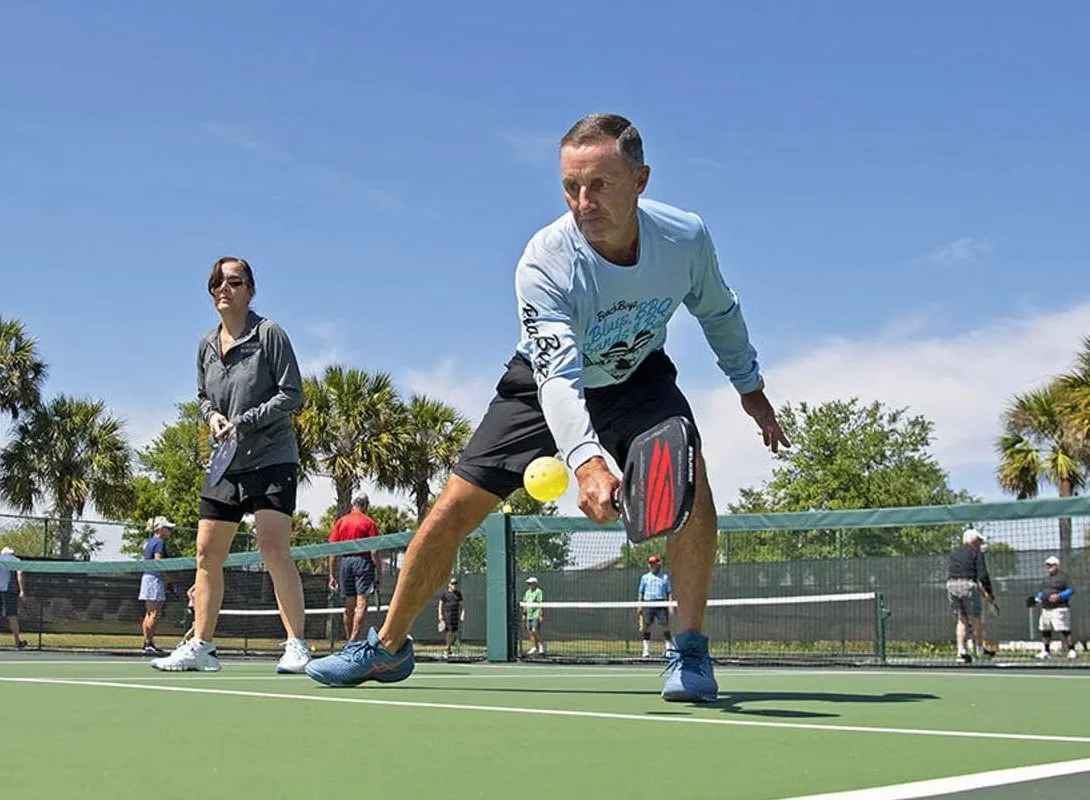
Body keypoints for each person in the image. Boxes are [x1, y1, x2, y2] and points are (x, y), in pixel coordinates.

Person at [307, 113, 787, 702]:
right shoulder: (545, 260)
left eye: (600, 185)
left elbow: (718, 311)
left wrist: (750, 387)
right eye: (570, 187)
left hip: (640, 378)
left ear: (640, 179)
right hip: (542, 383)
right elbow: (557, 379)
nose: (583, 202)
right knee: (453, 507)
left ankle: (688, 649)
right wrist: (586, 460)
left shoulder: (684, 239)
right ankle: (386, 648)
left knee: (694, 488)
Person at [151, 256, 311, 674]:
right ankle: (202, 645)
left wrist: (244, 421)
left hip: (272, 457)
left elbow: (292, 393)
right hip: (225, 463)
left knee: (274, 549)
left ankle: (296, 645)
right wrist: (212, 417)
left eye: (235, 282)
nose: (225, 288)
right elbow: (204, 396)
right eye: (217, 282)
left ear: (250, 291)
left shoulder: (268, 333)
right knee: (206, 554)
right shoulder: (205, 344)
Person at [328, 491, 382, 641]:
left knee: (349, 606)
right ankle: (353, 640)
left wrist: (332, 574)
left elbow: (332, 550)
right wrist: (379, 572)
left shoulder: (341, 522)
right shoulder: (369, 523)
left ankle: (350, 642)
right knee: (362, 604)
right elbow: (374, 551)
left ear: (353, 504)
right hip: (363, 562)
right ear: (365, 505)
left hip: (345, 563)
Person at [946, 527, 994, 664]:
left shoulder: (955, 553)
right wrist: (990, 594)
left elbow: (960, 572)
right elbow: (983, 575)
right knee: (976, 617)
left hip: (951, 585)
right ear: (973, 540)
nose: (980, 543)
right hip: (968, 585)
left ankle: (961, 651)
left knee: (962, 618)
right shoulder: (977, 553)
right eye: (978, 540)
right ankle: (979, 649)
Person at [139, 516, 175, 656]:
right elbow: (158, 562)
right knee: (155, 613)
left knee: (150, 613)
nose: (170, 530)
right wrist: (167, 580)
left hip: (147, 577)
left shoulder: (150, 542)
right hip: (154, 579)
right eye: (167, 528)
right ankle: (148, 643)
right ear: (160, 529)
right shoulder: (159, 542)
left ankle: (148, 643)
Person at [1031, 556, 1077, 660]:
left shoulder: (1063, 577)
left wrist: (1060, 596)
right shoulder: (1045, 579)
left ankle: (1072, 650)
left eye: (1051, 565)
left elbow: (1071, 590)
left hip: (1060, 608)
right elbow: (1041, 593)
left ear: (1057, 566)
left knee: (1064, 629)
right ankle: (1046, 652)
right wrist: (1036, 599)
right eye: (1047, 565)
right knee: (1045, 630)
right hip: (1046, 608)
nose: (1048, 567)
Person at [0, 546, 27, 651]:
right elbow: (19, 574)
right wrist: (22, 590)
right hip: (8, 591)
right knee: (12, 617)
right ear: (11, 554)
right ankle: (17, 643)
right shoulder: (15, 560)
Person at [637, 555, 674, 658]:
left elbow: (669, 592)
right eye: (650, 564)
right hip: (648, 603)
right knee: (647, 626)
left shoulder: (665, 577)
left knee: (665, 625)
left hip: (661, 603)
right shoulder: (645, 577)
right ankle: (646, 651)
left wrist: (670, 605)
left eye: (654, 563)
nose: (652, 566)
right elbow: (641, 592)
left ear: (658, 564)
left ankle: (669, 650)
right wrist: (639, 605)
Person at [438, 578, 464, 659]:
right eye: (453, 583)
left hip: (455, 615)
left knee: (453, 632)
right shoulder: (445, 594)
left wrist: (462, 614)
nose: (454, 585)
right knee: (449, 632)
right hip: (447, 615)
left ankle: (449, 650)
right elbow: (440, 604)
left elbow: (462, 605)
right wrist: (440, 614)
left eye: (455, 583)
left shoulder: (458, 594)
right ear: (449, 584)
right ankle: (446, 649)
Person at [521, 576, 545, 657]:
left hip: (536, 614)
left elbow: (540, 604)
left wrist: (541, 615)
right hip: (529, 615)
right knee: (530, 632)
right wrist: (524, 614)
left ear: (535, 584)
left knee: (535, 630)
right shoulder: (527, 592)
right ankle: (534, 647)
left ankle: (541, 645)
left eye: (531, 583)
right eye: (528, 584)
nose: (529, 585)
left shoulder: (538, 592)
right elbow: (525, 604)